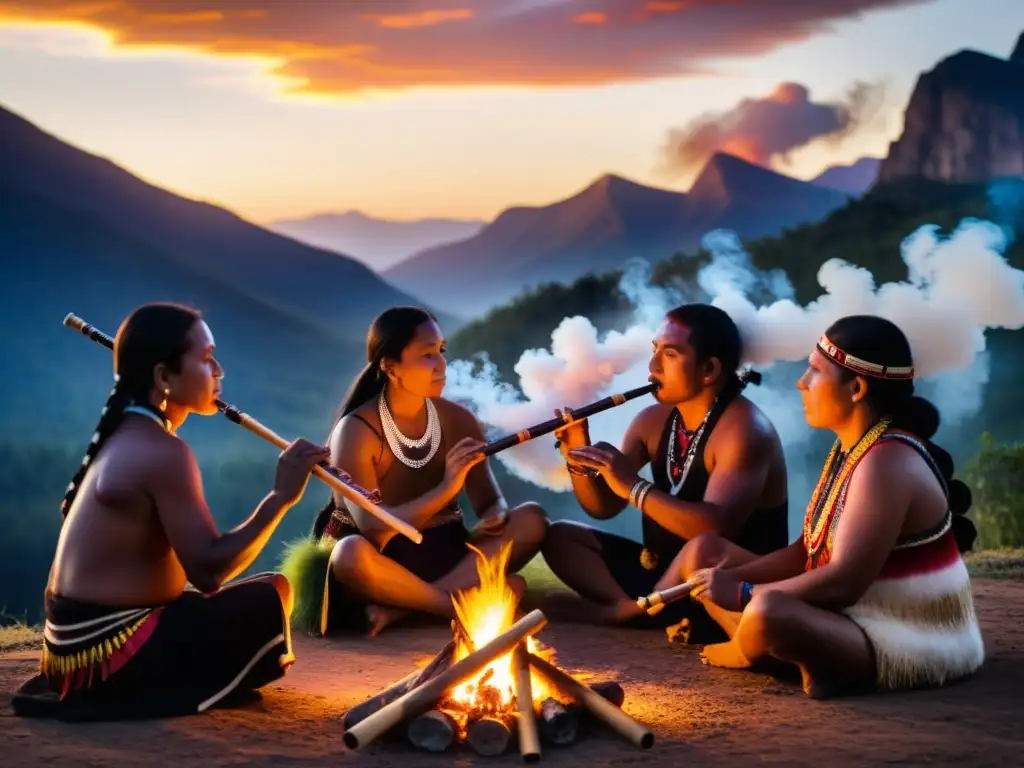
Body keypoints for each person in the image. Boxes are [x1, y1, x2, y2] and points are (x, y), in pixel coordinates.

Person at [11, 303, 328, 722]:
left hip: (69, 655)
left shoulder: (124, 432)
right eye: (205, 359)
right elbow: (209, 573)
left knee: (269, 587)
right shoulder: (164, 451)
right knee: (270, 598)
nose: (218, 371)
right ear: (163, 377)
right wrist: (280, 497)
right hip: (113, 655)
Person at [682, 314, 984, 698]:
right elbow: (805, 551)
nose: (800, 383)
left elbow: (844, 582)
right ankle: (804, 656)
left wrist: (743, 592)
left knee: (767, 612)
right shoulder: (853, 447)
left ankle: (756, 650)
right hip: (850, 621)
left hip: (914, 643)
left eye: (813, 372)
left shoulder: (885, 461)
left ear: (856, 387)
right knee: (706, 559)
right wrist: (725, 580)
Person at [280, 306, 548, 638]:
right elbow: (375, 530)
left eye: (441, 351)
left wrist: (496, 514)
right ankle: (456, 606)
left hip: (443, 555)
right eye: (426, 355)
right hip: (379, 563)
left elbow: (490, 501)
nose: (441, 364)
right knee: (349, 554)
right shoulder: (357, 430)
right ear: (390, 367)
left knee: (531, 520)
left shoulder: (459, 420)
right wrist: (447, 489)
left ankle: (402, 609)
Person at [540, 303, 789, 639]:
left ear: (709, 369)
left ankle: (646, 610)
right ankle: (629, 609)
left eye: (670, 354)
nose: (652, 366)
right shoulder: (652, 421)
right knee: (560, 537)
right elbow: (603, 507)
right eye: (654, 350)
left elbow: (714, 526)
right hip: (661, 573)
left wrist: (632, 486)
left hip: (725, 582)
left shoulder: (744, 430)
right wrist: (576, 453)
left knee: (703, 555)